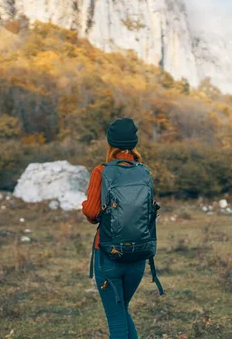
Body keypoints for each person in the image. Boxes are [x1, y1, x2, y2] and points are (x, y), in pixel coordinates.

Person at [82, 117, 162, 339]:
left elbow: (91, 212)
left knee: (117, 321)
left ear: (110, 143)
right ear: (133, 143)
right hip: (138, 256)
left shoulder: (101, 171)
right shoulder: (144, 172)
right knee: (121, 313)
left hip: (109, 256)